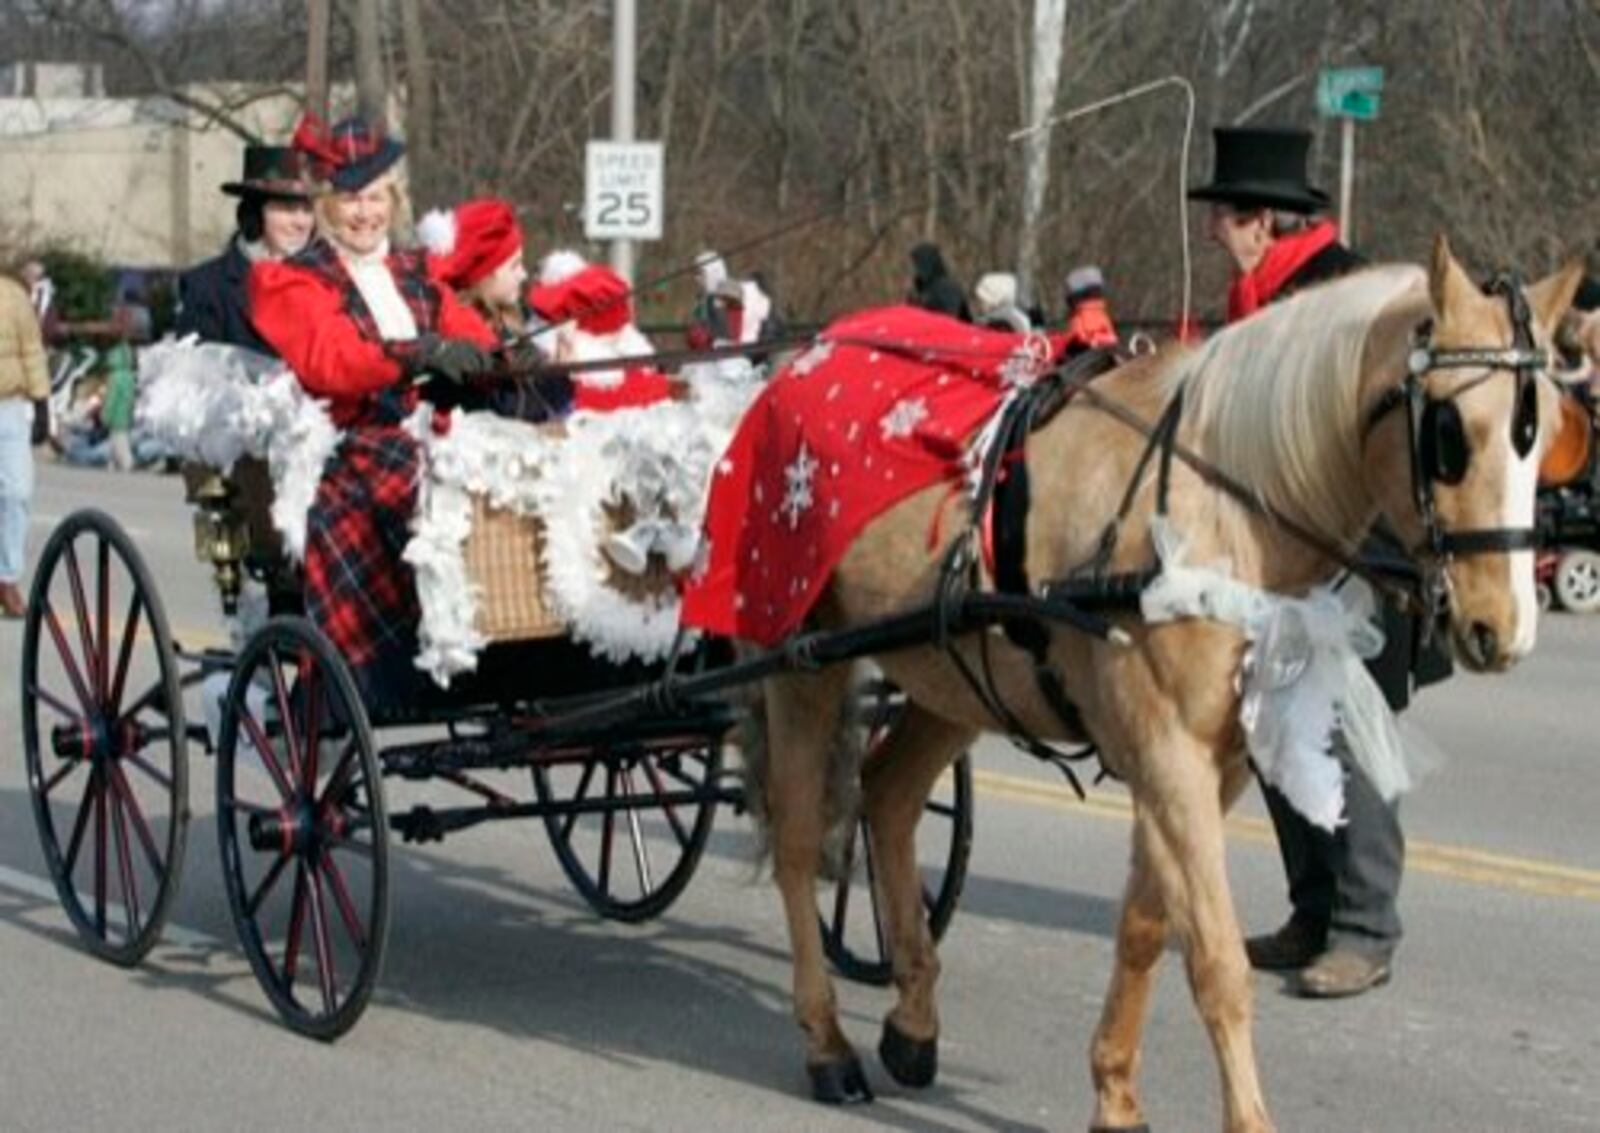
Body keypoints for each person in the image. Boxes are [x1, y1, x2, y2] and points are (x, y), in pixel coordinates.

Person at [1190, 124, 1449, 998]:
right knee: (1275, 730)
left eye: (1221, 218)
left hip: (1365, 552)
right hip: (1283, 552)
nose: (1212, 235)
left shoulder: (1347, 292)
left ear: (1261, 222)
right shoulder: (1266, 292)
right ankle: (1313, 908)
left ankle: (1367, 925)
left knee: (1350, 734)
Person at [249, 113, 498, 702]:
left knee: (512, 471)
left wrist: (501, 360)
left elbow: (474, 337)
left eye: (376, 197)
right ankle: (388, 657)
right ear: (327, 205)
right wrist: (417, 353)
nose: (365, 213)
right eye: (350, 199)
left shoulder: (417, 277)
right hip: (347, 452)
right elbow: (332, 359)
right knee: (420, 481)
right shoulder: (289, 280)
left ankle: (514, 632)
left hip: (430, 439)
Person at [176, 144, 315, 354]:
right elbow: (195, 375)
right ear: (253, 215)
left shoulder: (329, 283)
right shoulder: (206, 286)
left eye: (307, 210)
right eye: (287, 210)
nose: (301, 222)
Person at [0, 267, 51, 618]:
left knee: (17, 492)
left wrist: (42, 403)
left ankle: (7, 578)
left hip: (9, 406)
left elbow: (32, 351)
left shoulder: (12, 297)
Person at [1061, 264, 1120, 354]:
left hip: (1085, 352)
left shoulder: (1079, 318)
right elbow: (1111, 335)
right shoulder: (1102, 314)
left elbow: (1075, 337)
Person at [908, 241, 971, 321]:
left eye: (918, 264)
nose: (916, 269)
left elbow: (952, 317)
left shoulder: (947, 287)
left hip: (947, 331)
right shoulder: (919, 289)